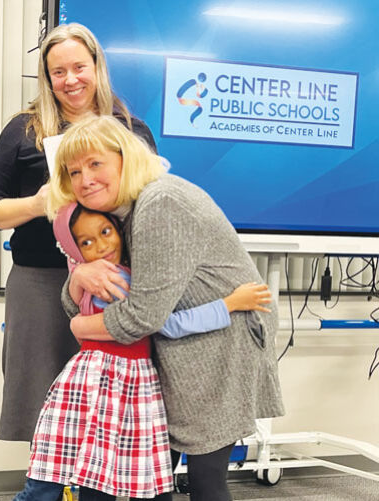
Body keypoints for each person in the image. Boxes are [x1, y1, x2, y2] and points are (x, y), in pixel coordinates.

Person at [47, 114, 285, 501]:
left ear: (125, 157)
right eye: (74, 171)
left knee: (205, 480)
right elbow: (98, 299)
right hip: (182, 352)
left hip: (219, 349)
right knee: (153, 479)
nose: (84, 179)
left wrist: (79, 328)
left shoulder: (161, 202)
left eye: (95, 163)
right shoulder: (119, 213)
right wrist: (76, 280)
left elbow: (142, 315)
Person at [14, 202, 272, 501]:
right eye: (86, 242)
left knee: (94, 475)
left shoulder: (107, 273)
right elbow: (168, 324)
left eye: (106, 231)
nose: (101, 245)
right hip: (115, 381)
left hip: (110, 378)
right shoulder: (116, 281)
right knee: (107, 478)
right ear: (74, 250)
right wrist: (229, 303)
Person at [0, 22, 156, 442]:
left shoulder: (132, 132)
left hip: (114, 283)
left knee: (109, 403)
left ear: (97, 66)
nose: (70, 80)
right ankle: (48, 487)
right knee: (42, 403)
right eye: (58, 72)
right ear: (47, 77)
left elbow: (150, 207)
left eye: (79, 67)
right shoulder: (23, 130)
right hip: (40, 283)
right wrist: (39, 204)